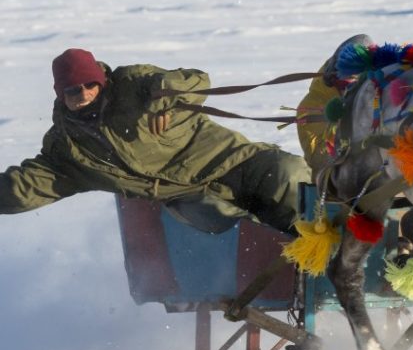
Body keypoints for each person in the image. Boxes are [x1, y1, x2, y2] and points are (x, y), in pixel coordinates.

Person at [0, 49, 310, 233]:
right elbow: (23, 188)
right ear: (59, 94)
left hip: (234, 159)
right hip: (187, 195)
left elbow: (194, 79)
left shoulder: (134, 83)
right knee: (237, 229)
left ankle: (336, 247)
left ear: (101, 80)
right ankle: (287, 268)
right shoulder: (67, 152)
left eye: (90, 84)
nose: (84, 94)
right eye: (72, 91)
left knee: (290, 172)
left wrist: (166, 96)